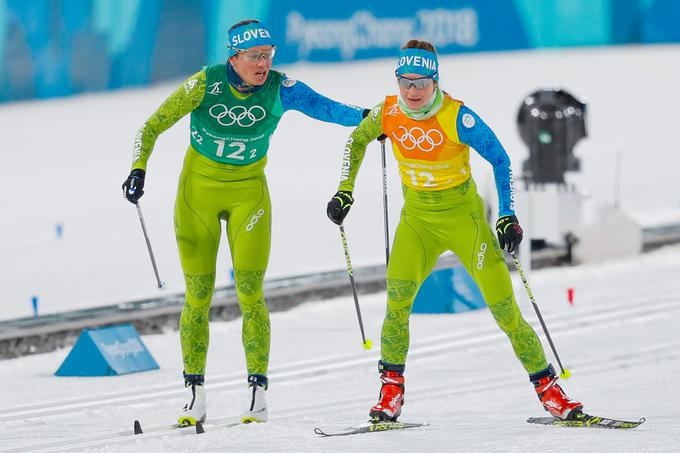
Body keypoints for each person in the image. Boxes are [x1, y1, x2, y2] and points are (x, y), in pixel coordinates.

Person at [122, 19, 368, 426]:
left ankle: (257, 394)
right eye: (255, 57)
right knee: (197, 297)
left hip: (248, 195)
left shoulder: (281, 88)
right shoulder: (205, 83)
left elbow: (330, 110)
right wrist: (138, 170)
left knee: (251, 293)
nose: (263, 65)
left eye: (268, 56)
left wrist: (370, 118)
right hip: (197, 196)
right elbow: (151, 126)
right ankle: (194, 394)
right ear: (233, 58)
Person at [326, 40, 583, 423]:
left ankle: (550, 392)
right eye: (405, 82)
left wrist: (507, 215)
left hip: (466, 223)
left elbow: (499, 157)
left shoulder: (456, 117)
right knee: (397, 304)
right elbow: (356, 140)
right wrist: (345, 189)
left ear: (435, 81)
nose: (412, 92)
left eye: (421, 83)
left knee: (506, 312)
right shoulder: (387, 113)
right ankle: (390, 392)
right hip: (417, 224)